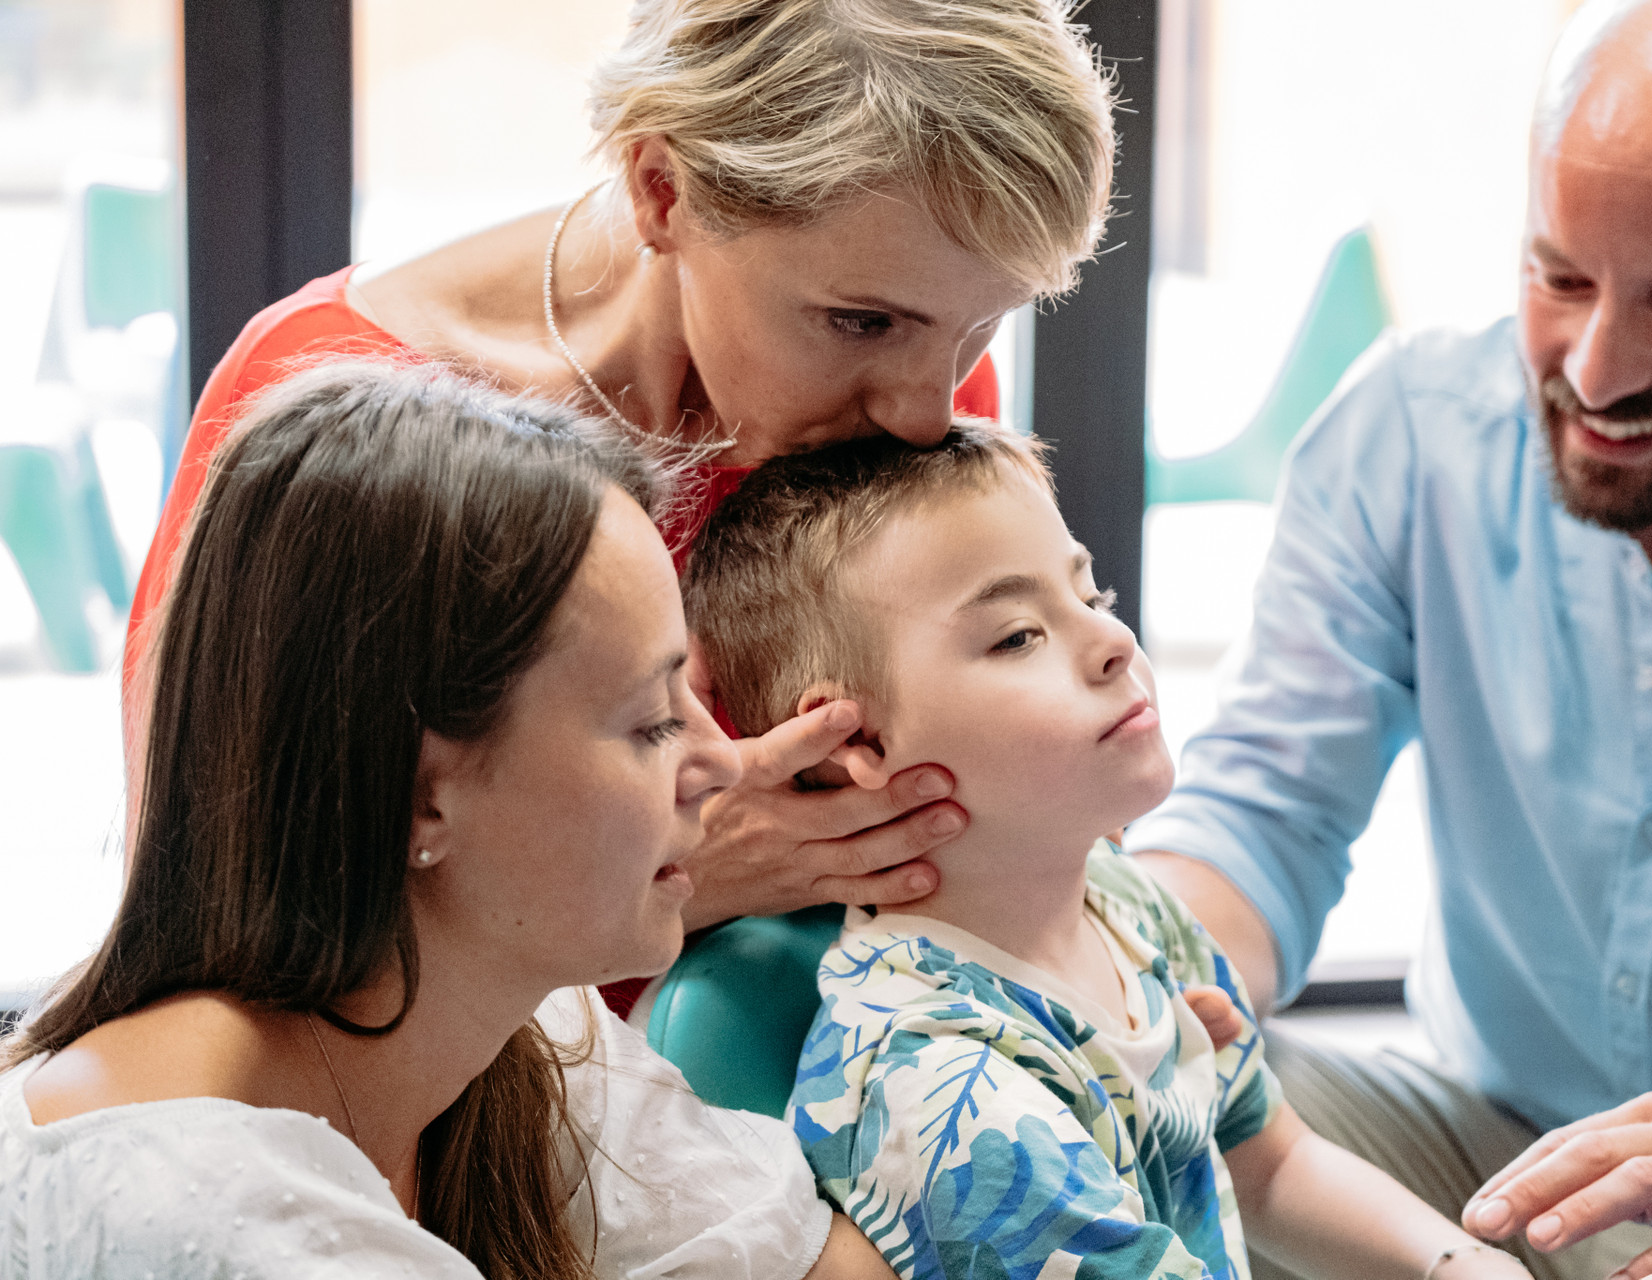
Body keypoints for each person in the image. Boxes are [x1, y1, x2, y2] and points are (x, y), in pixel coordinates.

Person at [1122, 0, 1652, 1276]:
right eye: (1559, 274)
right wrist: (1112, 982)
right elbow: (1262, 813)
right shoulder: (1411, 432)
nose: (1597, 371)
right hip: (1488, 1153)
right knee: (1139, 1122)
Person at [124, 0, 1119, 997]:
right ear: (662, 188)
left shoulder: (904, 375)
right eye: (861, 321)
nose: (927, 411)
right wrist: (664, 876)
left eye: (985, 322)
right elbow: (216, 938)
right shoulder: (336, 408)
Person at [0, 362, 897, 1278]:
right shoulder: (195, 1208)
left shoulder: (520, 1040)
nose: (717, 764)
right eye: (652, 720)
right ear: (424, 794)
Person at [678, 423, 1540, 1280]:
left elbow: (1271, 1162)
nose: (1113, 643)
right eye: (1018, 635)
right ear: (858, 743)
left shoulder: (1128, 907)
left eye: (1091, 599)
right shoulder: (945, 1086)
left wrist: (1455, 1261)